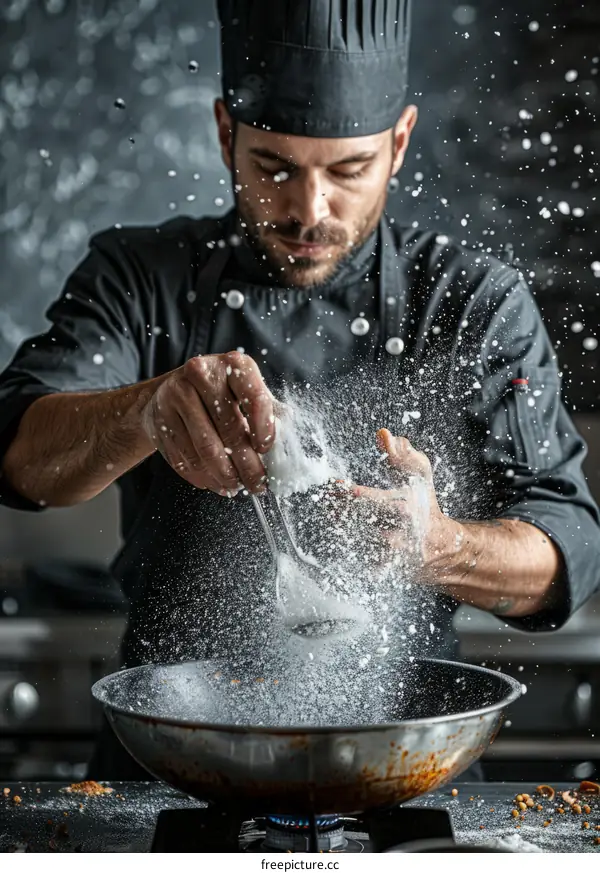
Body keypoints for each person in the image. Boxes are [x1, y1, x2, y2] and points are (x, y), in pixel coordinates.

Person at [0, 0, 599, 780]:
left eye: (348, 170)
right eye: (274, 167)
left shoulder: (472, 301)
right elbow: (17, 457)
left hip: (403, 768)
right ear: (225, 135)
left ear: (399, 143)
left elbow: (567, 551)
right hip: (169, 762)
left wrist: (439, 547)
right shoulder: (141, 280)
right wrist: (143, 410)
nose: (308, 210)